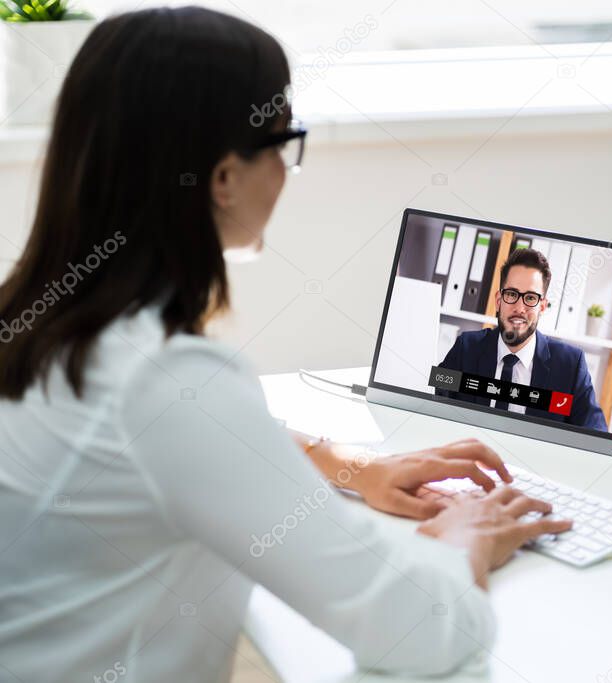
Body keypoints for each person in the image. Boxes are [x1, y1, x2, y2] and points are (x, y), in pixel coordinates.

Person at [0, 8, 570, 681]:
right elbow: (418, 631)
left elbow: (187, 444)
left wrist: (350, 465)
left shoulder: (40, 320)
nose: (285, 168)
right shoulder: (165, 379)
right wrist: (462, 538)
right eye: (282, 141)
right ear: (221, 178)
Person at [437, 248, 608, 431]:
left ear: (542, 306)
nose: (519, 308)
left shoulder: (570, 366)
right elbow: (432, 400)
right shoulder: (467, 348)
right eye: (511, 294)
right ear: (498, 300)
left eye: (530, 298)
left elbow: (596, 434)